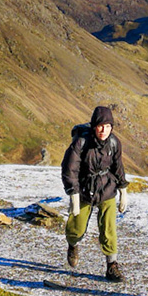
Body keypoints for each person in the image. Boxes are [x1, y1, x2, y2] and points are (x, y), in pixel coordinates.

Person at [62, 105, 127, 282]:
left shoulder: (114, 143)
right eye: (100, 126)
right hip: (84, 189)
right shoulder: (81, 143)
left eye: (107, 126)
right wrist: (73, 195)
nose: (103, 130)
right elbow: (70, 169)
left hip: (107, 188)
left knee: (108, 228)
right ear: (93, 126)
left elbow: (117, 167)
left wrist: (123, 189)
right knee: (77, 227)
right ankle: (72, 244)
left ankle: (112, 266)